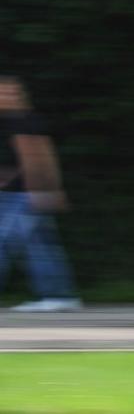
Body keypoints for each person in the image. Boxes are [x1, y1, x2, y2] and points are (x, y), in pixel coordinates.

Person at [0, 77, 81, 311]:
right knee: (40, 247)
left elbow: (36, 158)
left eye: (8, 93)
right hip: (22, 194)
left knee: (6, 244)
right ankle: (59, 295)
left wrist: (44, 190)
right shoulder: (13, 121)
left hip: (24, 195)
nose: (5, 97)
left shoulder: (22, 121)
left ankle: (58, 294)